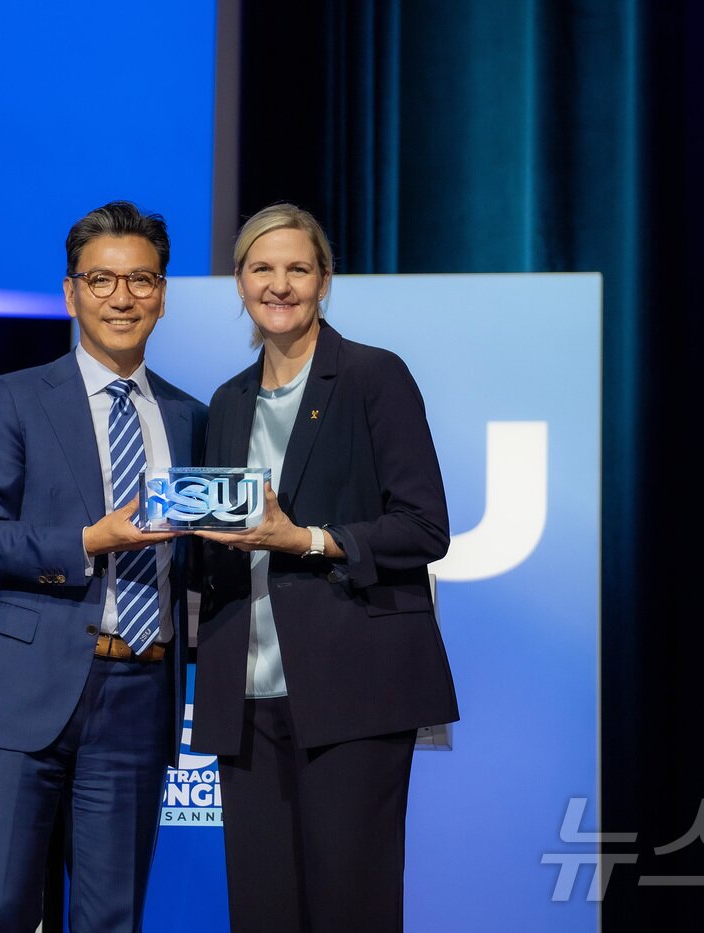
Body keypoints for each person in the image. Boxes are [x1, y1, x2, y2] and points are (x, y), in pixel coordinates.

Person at [190, 203, 459, 932]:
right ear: (240, 282)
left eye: (298, 268)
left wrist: (306, 539)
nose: (280, 285)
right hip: (244, 699)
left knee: (351, 908)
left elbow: (424, 526)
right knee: (263, 913)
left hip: (354, 691)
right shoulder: (227, 401)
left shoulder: (374, 376)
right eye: (262, 268)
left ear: (324, 280)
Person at [0, 200, 207, 932]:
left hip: (138, 693)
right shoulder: (16, 398)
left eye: (142, 281)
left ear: (163, 293)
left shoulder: (191, 416)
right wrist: (87, 538)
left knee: (111, 919)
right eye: (102, 280)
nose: (123, 298)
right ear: (70, 293)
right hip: (18, 692)